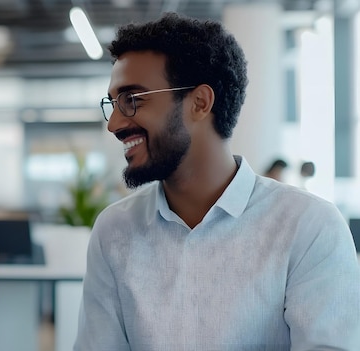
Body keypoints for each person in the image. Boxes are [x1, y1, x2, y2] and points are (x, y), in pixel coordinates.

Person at [75, 12, 360, 350]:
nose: (114, 124)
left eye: (133, 100)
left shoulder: (308, 227)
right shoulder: (114, 231)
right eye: (114, 104)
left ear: (200, 102)